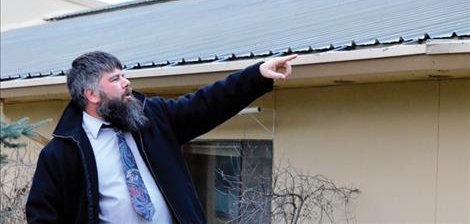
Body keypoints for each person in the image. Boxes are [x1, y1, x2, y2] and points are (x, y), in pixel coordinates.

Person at [26, 51, 297, 224]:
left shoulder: (152, 117)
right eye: (116, 78)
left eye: (125, 74)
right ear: (92, 95)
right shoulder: (61, 153)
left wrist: (257, 75)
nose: (126, 82)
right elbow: (42, 216)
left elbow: (206, 104)